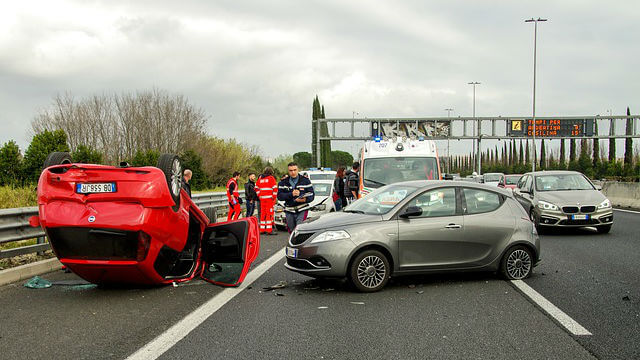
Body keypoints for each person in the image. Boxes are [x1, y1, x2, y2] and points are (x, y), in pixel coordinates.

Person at [277, 162, 315, 233]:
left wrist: (304, 198)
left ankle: (300, 243)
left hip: (302, 209)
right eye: (291, 170)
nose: (293, 172)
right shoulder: (283, 183)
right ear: (288, 171)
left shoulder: (305, 181)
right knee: (291, 231)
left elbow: (312, 195)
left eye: (295, 170)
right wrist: (291, 194)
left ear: (298, 170)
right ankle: (292, 242)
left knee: (300, 229)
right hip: (289, 210)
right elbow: (279, 196)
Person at [255, 167, 278, 234]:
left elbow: (256, 188)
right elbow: (275, 188)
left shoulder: (260, 178)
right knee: (269, 214)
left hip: (262, 199)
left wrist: (259, 195)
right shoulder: (271, 178)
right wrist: (274, 197)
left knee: (263, 214)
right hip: (269, 199)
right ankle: (269, 230)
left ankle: (262, 229)